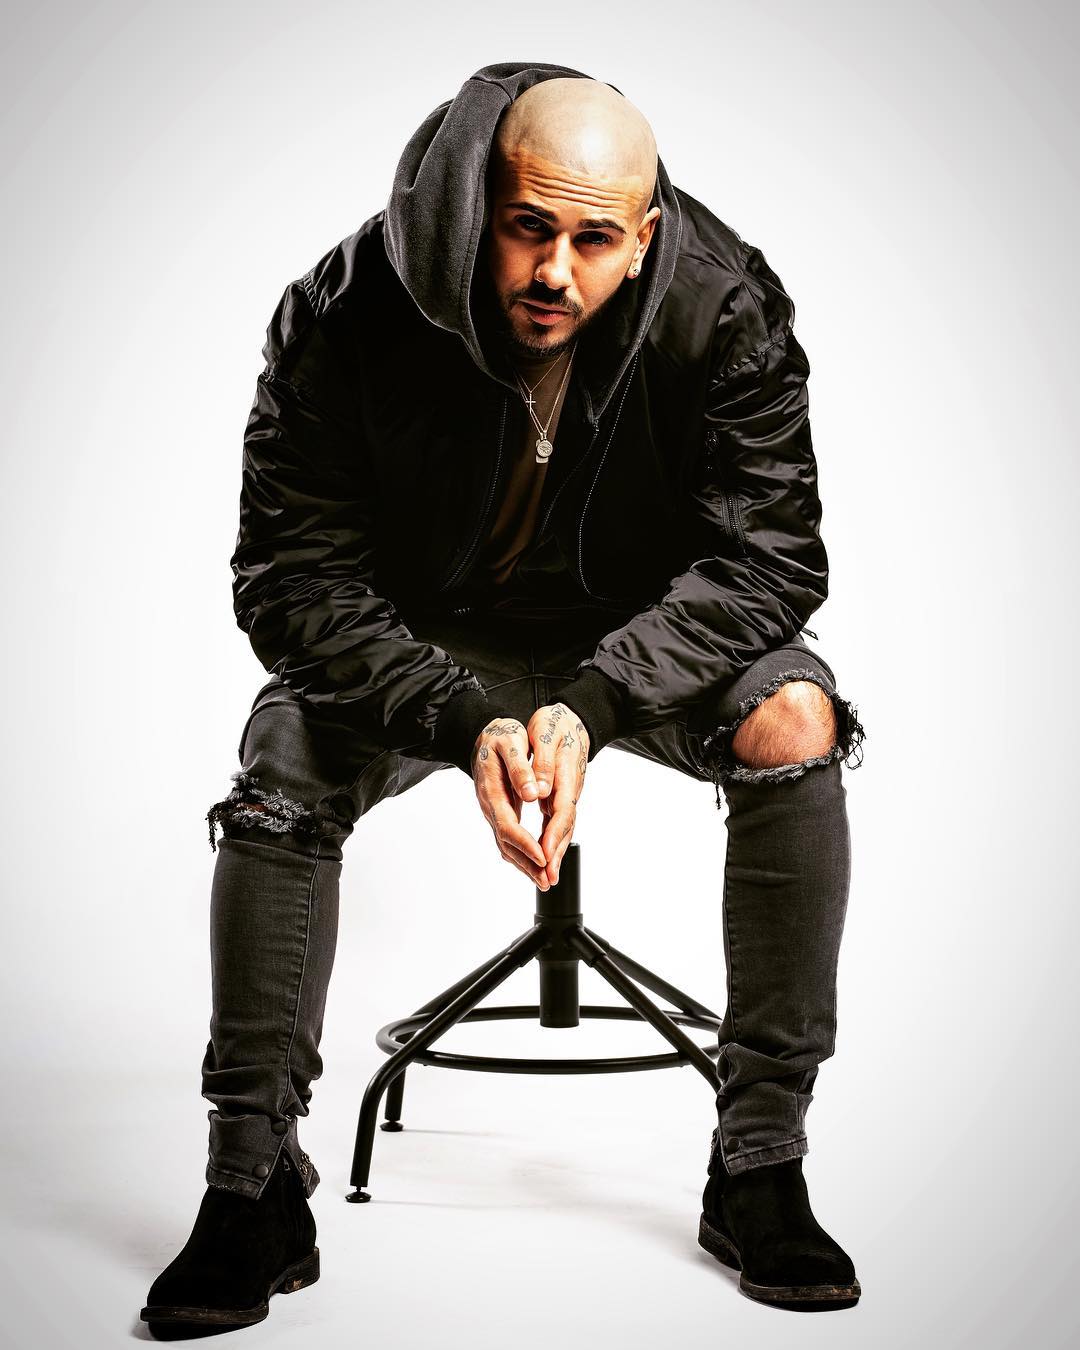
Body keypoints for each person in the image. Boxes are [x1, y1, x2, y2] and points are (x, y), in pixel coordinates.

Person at [141, 60, 867, 1332]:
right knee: (285, 754)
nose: (555, 273)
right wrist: (456, 713)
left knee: (794, 718)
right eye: (529, 227)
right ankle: (251, 1180)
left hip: (643, 638)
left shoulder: (725, 304)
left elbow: (769, 561)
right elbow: (293, 577)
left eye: (595, 241)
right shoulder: (344, 310)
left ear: (645, 237)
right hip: (428, 643)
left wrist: (597, 698)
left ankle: (761, 1160)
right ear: (482, 203)